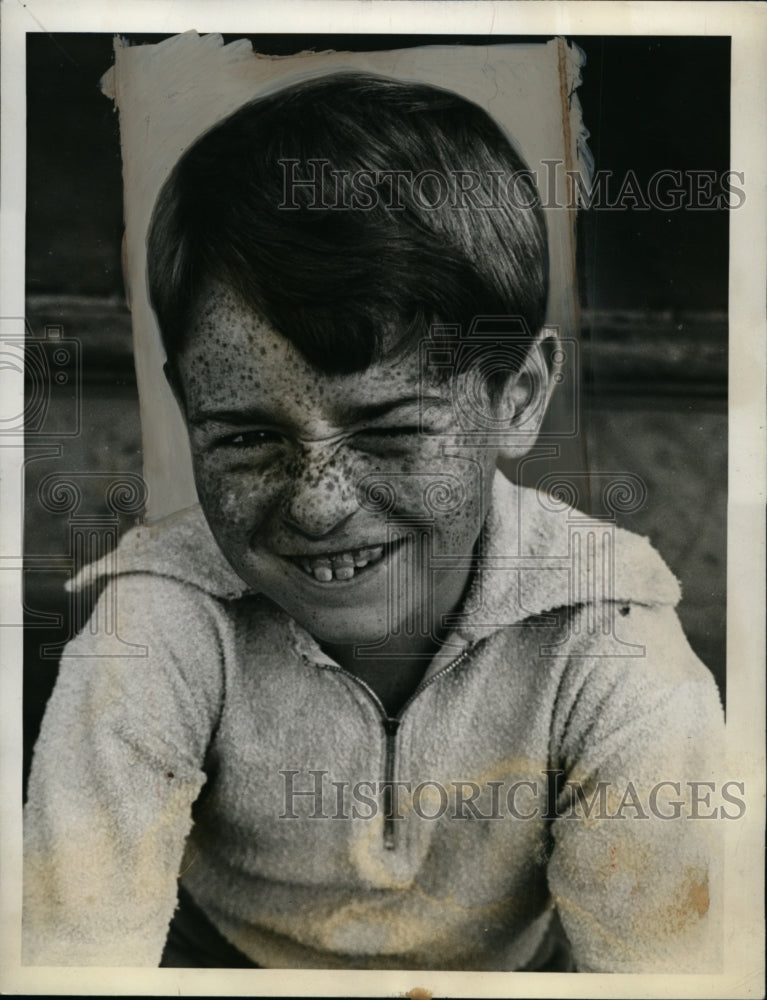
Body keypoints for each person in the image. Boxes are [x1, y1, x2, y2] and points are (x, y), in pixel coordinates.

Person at [23, 71, 723, 971]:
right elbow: (73, 955)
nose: (317, 503)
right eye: (245, 437)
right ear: (184, 404)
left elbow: (667, 973)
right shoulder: (154, 623)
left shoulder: (608, 633)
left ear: (520, 396)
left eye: (390, 430)